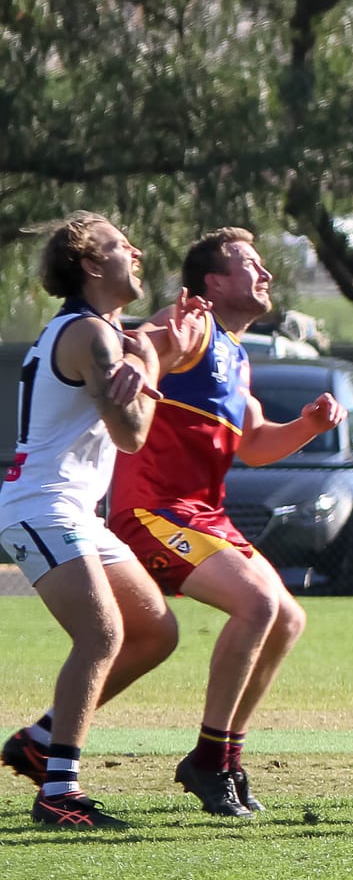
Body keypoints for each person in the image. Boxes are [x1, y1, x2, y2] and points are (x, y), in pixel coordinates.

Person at [106, 228, 345, 818]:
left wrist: (309, 427)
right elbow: (145, 339)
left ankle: (223, 755)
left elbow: (256, 444)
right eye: (250, 264)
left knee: (287, 617)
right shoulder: (190, 322)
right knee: (258, 607)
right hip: (151, 510)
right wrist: (139, 356)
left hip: (202, 516)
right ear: (213, 282)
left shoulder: (236, 354)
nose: (264, 274)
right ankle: (209, 758)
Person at [0, 213, 199, 829]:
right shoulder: (92, 336)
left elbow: (148, 342)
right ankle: (59, 792)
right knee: (104, 634)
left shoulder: (106, 330)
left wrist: (161, 344)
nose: (135, 252)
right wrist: (153, 366)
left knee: (155, 632)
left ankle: (42, 739)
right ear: (90, 265)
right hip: (40, 505)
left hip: (73, 510)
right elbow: (133, 434)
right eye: (119, 246)